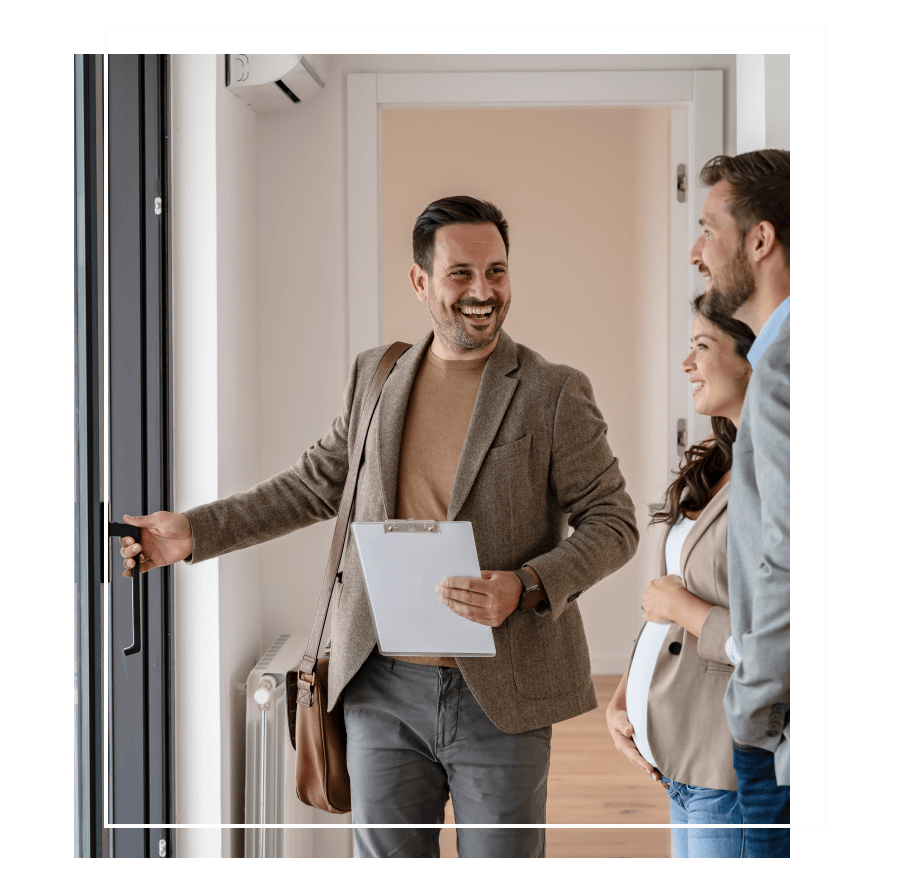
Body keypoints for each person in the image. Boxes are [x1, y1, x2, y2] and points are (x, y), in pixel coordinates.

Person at [118, 196, 639, 858]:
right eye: (461, 273)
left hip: (503, 688)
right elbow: (313, 483)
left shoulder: (553, 390)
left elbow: (614, 521)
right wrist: (194, 532)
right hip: (380, 683)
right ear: (420, 281)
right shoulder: (377, 374)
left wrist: (526, 583)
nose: (483, 292)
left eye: (497, 272)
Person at [605, 291, 755, 857]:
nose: (687, 364)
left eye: (701, 347)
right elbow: (664, 599)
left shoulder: (779, 479)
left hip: (726, 765)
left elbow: (768, 641)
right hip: (679, 760)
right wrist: (624, 697)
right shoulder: (717, 464)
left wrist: (675, 607)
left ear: (752, 357)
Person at [696, 150, 790, 856]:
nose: (697, 252)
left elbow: (788, 558)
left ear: (760, 241)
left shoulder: (785, 370)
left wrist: (752, 706)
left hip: (782, 737)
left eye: (707, 229)